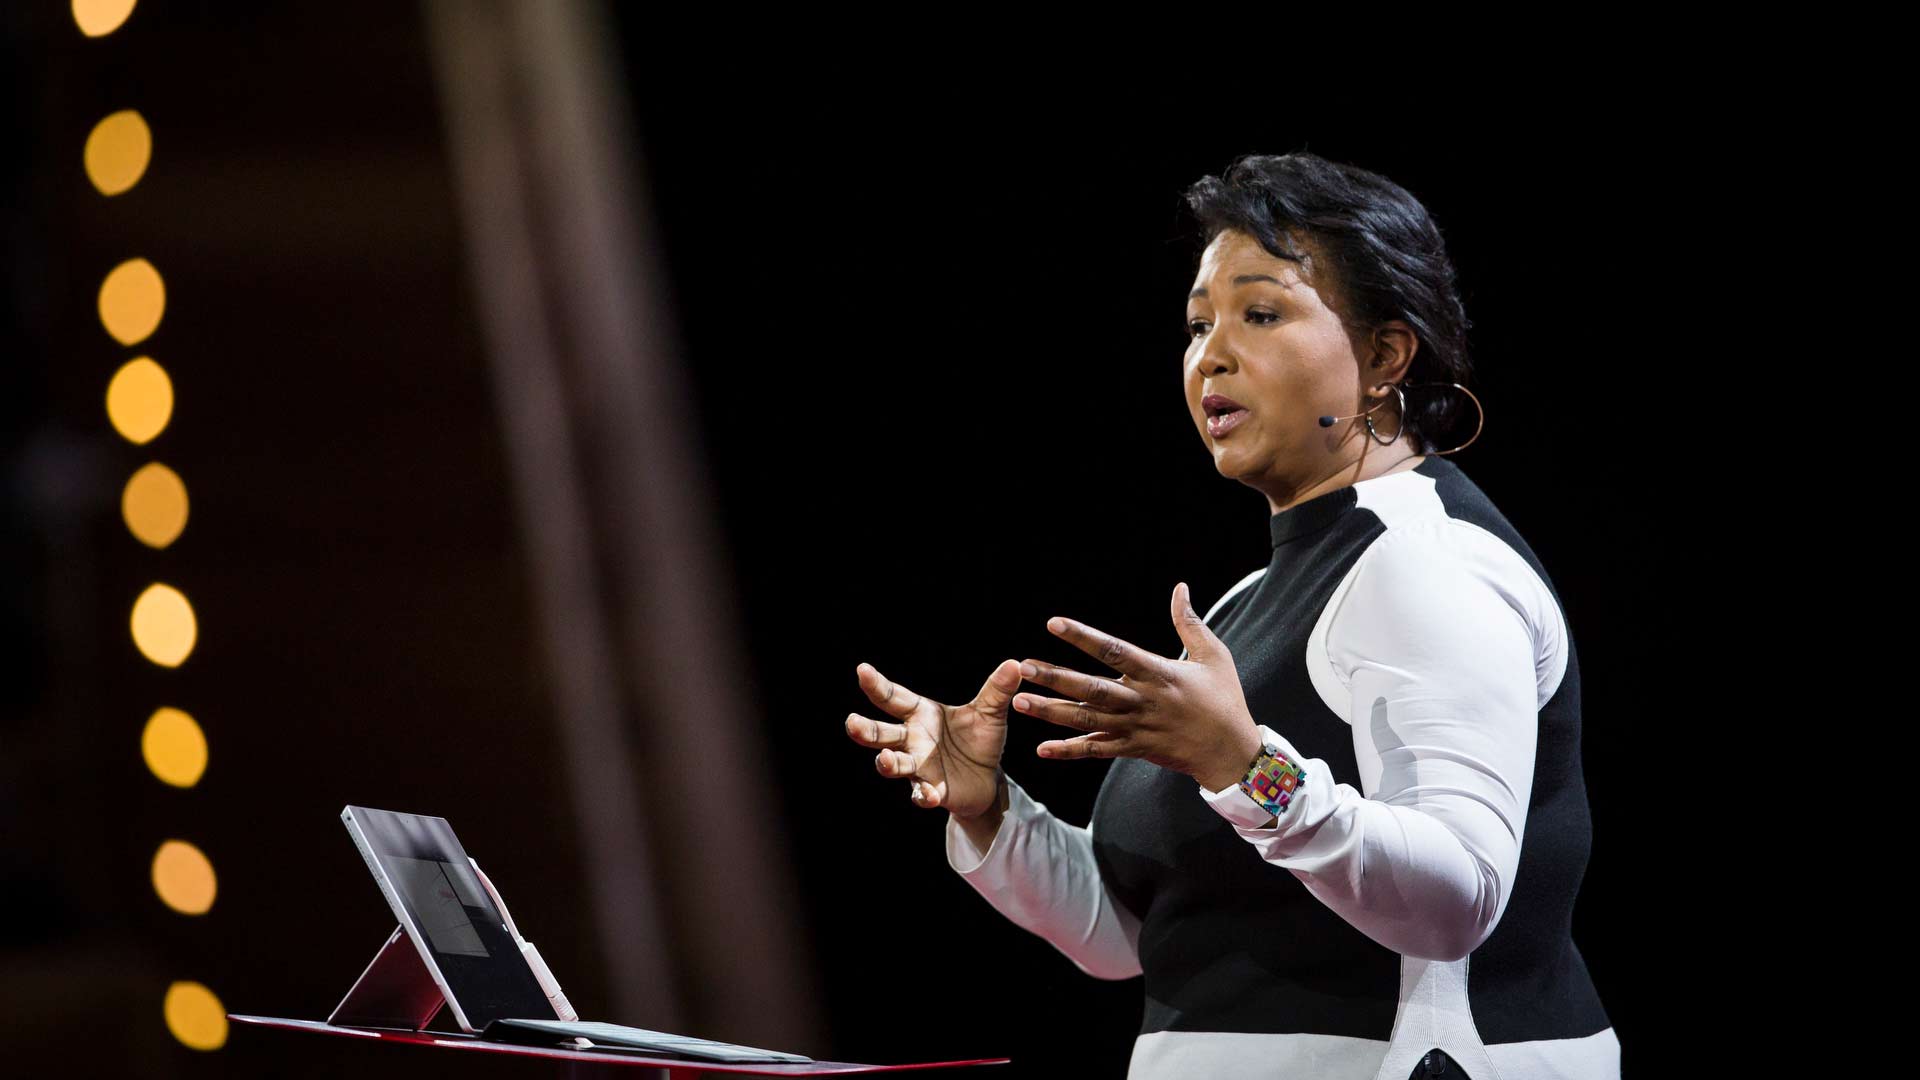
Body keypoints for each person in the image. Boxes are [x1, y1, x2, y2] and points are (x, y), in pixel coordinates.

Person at [842, 152, 1619, 1080]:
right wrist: (992, 812)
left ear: (1384, 356)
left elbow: (1458, 899)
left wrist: (1242, 765)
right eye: (1198, 323)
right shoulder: (1251, 602)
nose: (1210, 353)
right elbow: (1130, 938)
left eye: (1260, 313)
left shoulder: (1426, 564)